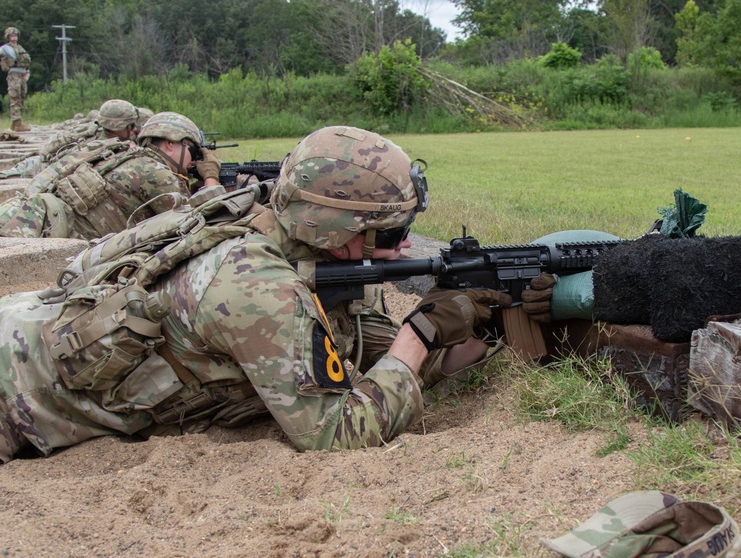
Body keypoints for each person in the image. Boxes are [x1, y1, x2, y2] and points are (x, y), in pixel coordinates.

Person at [0, 125, 510, 462]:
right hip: (15, 390)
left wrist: (477, 318)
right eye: (394, 234)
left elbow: (377, 355)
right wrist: (420, 332)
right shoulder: (258, 285)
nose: (401, 251)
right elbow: (336, 433)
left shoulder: (283, 234)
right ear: (340, 232)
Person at [0, 110, 220, 240]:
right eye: (193, 150)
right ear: (170, 145)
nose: (194, 159)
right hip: (56, 236)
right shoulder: (156, 173)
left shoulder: (123, 153)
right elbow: (197, 226)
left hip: (33, 216)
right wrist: (211, 178)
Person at [0, 99, 144, 179]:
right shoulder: (102, 145)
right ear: (118, 125)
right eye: (130, 125)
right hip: (37, 170)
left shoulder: (95, 129)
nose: (134, 129)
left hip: (40, 163)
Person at [1, 27, 31, 132]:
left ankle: (15, 124)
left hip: (22, 74)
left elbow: (26, 62)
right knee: (15, 97)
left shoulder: (20, 48)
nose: (14, 37)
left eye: (15, 35)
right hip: (13, 74)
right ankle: (17, 122)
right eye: (12, 35)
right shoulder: (5, 48)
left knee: (21, 96)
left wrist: (27, 73)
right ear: (8, 37)